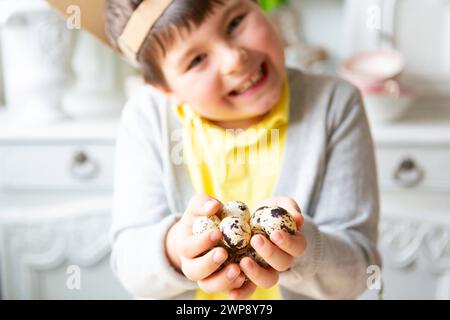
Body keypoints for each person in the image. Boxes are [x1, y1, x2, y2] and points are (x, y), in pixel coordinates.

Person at [103, 0, 381, 299]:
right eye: (196, 60)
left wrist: (301, 249)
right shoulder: (148, 118)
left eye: (234, 23)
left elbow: (359, 271)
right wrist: (175, 250)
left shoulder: (334, 105)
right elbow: (131, 267)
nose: (234, 58)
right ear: (167, 90)